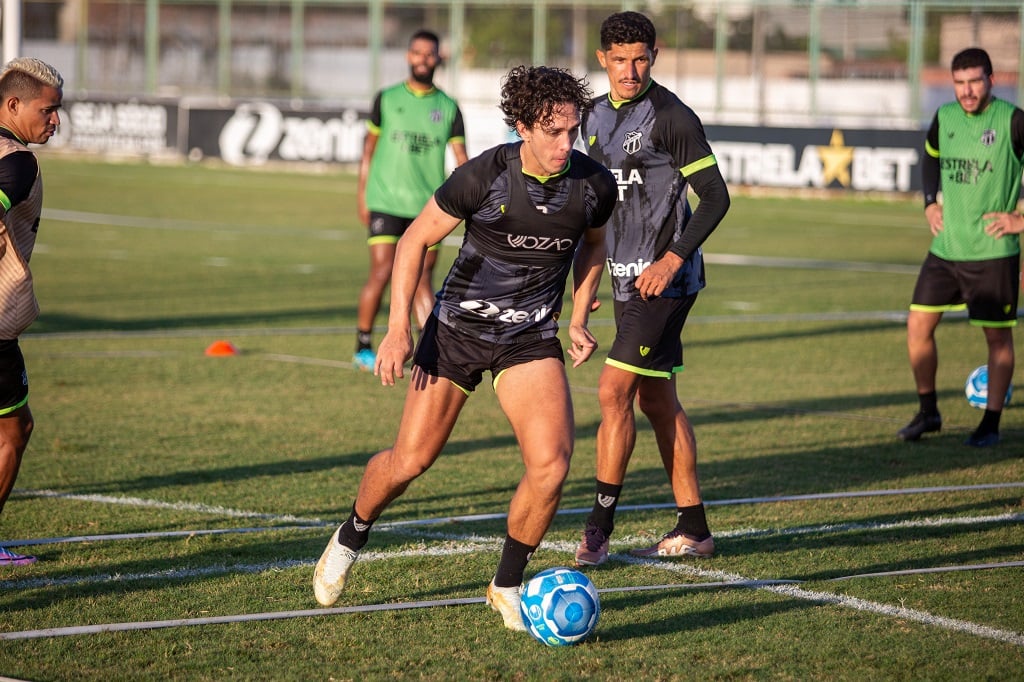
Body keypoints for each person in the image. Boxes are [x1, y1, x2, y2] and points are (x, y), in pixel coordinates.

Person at [315, 65, 617, 631]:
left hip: (529, 339)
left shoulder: (593, 185)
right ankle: (351, 533)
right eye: (552, 131)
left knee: (551, 466)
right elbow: (413, 240)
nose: (565, 143)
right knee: (410, 461)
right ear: (523, 128)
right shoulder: (484, 175)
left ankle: (506, 585)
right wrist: (398, 328)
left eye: (572, 131)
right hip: (456, 333)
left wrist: (578, 315)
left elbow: (594, 245)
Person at [574, 11, 730, 567]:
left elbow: (715, 197)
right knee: (657, 400)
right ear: (603, 59)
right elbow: (593, 212)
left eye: (640, 59)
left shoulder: (673, 117)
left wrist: (670, 259)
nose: (630, 71)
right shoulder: (590, 116)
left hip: (665, 281)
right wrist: (584, 287)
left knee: (612, 392)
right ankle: (695, 529)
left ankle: (598, 529)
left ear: (654, 56)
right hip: (622, 277)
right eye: (619, 60)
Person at [898, 48, 1024, 448]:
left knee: (997, 339)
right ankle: (928, 411)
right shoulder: (945, 117)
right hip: (947, 247)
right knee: (918, 326)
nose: (967, 91)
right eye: (959, 83)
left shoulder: (1013, 120)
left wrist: (1021, 220)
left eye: (974, 81)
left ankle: (990, 424)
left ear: (991, 80)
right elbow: (930, 158)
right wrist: (930, 202)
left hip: (993, 251)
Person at [353, 29, 469, 372]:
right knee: (382, 271)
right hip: (385, 200)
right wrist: (362, 194)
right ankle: (363, 346)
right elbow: (368, 150)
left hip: (428, 208)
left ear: (438, 58)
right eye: (417, 52)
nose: (423, 59)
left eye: (429, 53)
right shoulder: (387, 98)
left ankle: (428, 350)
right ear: (408, 56)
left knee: (422, 279)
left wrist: (468, 198)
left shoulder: (448, 107)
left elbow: (462, 159)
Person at [0, 58, 63, 566]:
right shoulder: (18, 162)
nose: (56, 120)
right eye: (48, 110)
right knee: (13, 431)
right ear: (13, 104)